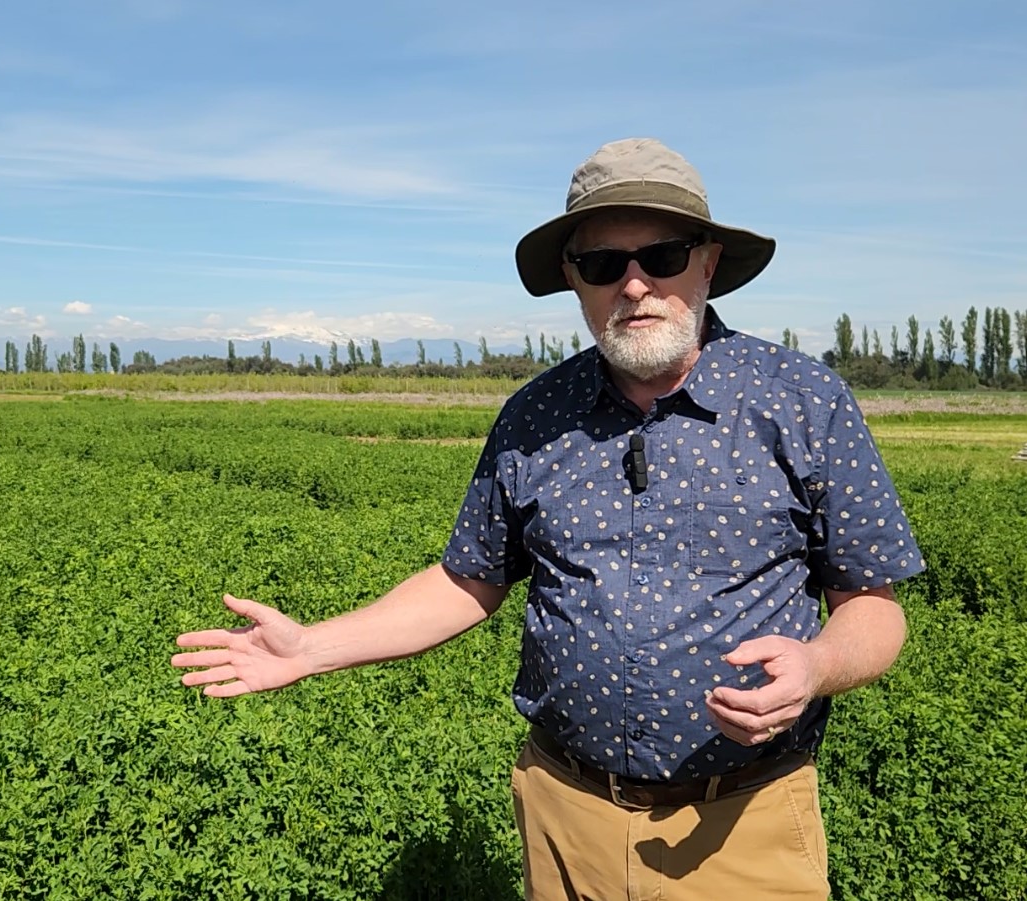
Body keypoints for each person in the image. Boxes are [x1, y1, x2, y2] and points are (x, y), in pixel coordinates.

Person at [172, 138, 924, 900]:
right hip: (565, 816)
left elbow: (873, 608)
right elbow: (468, 580)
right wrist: (311, 647)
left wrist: (817, 667)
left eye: (661, 255)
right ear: (573, 279)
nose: (633, 285)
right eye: (603, 265)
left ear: (707, 261)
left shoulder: (801, 401)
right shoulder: (536, 415)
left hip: (745, 822)